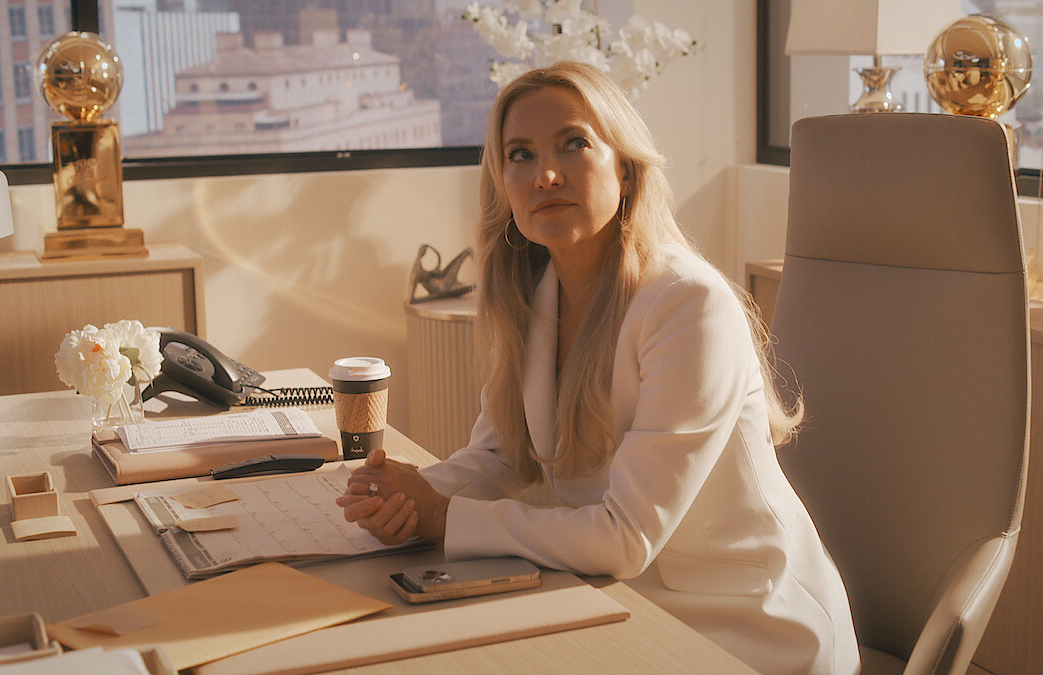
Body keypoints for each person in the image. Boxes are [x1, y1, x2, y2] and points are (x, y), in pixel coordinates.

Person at [335, 62, 860, 675]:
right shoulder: (536, 295)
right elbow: (502, 458)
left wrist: (443, 516)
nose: (545, 175)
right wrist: (406, 495)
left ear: (626, 167)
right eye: (521, 154)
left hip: (740, 626)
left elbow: (625, 537)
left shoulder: (689, 305)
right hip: (607, 596)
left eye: (573, 143)